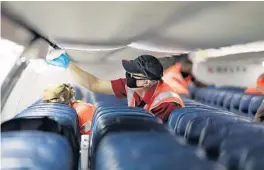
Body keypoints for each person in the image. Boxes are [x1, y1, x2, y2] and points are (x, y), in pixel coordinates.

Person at [46, 50, 184, 122]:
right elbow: (95, 84)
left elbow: (155, 134)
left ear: (147, 82)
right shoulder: (135, 85)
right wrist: (68, 65)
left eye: (132, 74)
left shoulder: (167, 103)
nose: (128, 76)